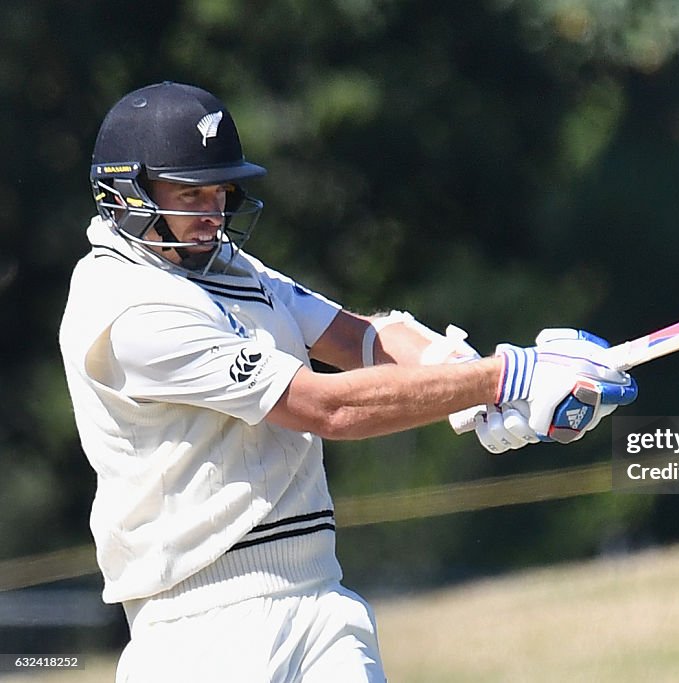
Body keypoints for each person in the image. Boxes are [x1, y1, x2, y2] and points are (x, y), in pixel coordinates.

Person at [58, 81, 637, 682]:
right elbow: (325, 408)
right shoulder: (129, 309)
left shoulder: (226, 264)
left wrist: (454, 370)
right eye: (191, 194)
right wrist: (502, 379)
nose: (212, 214)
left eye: (221, 192)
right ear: (124, 193)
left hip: (320, 597)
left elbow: (360, 337)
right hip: (202, 628)